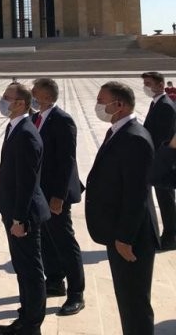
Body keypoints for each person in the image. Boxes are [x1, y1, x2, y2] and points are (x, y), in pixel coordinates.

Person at [85, 81, 159, 335]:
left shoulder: (135, 138)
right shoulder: (118, 130)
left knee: (134, 303)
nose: (98, 105)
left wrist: (125, 237)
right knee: (127, 300)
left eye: (101, 100)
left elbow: (137, 194)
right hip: (118, 231)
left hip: (131, 237)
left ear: (119, 104)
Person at [0, 83, 50, 335]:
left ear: (20, 103)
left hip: (23, 215)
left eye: (7, 97)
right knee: (23, 267)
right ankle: (25, 315)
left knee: (30, 269)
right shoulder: (14, 128)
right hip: (14, 211)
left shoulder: (26, 133)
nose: (3, 101)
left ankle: (32, 324)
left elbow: (27, 182)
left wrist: (19, 218)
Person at [31, 78, 85, 316]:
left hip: (55, 194)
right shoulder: (36, 118)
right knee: (45, 239)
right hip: (39, 192)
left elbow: (67, 161)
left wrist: (59, 196)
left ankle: (76, 294)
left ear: (46, 95)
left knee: (64, 241)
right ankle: (54, 281)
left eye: (35, 92)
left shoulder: (63, 120)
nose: (32, 95)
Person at [141, 71, 176, 250]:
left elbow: (164, 136)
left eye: (149, 83)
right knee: (164, 198)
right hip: (158, 159)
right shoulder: (157, 104)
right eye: (145, 83)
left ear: (161, 85)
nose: (146, 87)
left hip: (163, 160)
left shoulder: (166, 106)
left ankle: (171, 236)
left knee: (166, 199)